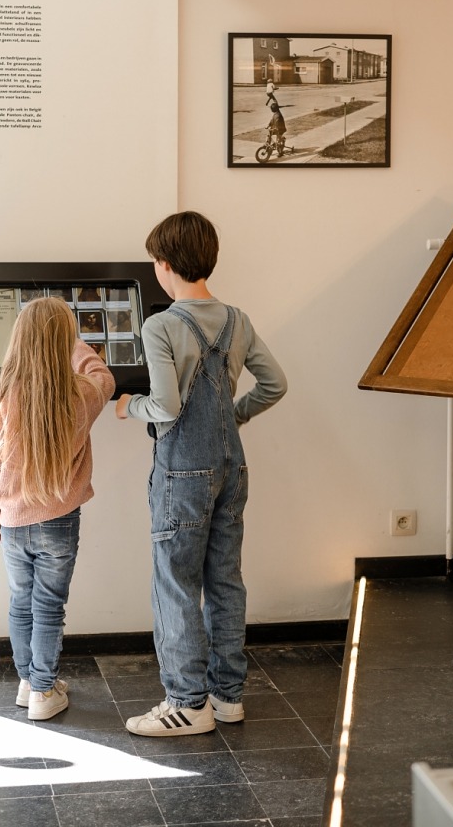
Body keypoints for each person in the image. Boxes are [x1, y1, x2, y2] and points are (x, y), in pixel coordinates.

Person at [114, 211, 287, 737]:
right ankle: (226, 696)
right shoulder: (237, 319)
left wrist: (128, 406)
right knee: (225, 580)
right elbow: (274, 384)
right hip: (232, 466)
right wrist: (233, 416)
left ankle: (187, 704)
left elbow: (164, 406)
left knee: (176, 585)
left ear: (164, 265)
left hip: (182, 471)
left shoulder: (162, 324)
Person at [0, 296, 114, 720]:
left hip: (13, 522)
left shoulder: (2, 400)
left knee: (21, 602)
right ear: (63, 342)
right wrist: (74, 343)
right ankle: (42, 689)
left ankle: (29, 682)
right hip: (58, 522)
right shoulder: (81, 396)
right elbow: (104, 377)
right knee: (50, 605)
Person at [264, 83, 287, 155]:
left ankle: (280, 151)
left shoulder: (278, 116)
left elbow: (277, 123)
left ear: (273, 110)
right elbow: (272, 120)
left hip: (280, 129)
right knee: (269, 135)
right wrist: (268, 125)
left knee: (278, 140)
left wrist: (274, 128)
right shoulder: (275, 114)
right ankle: (267, 144)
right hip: (276, 128)